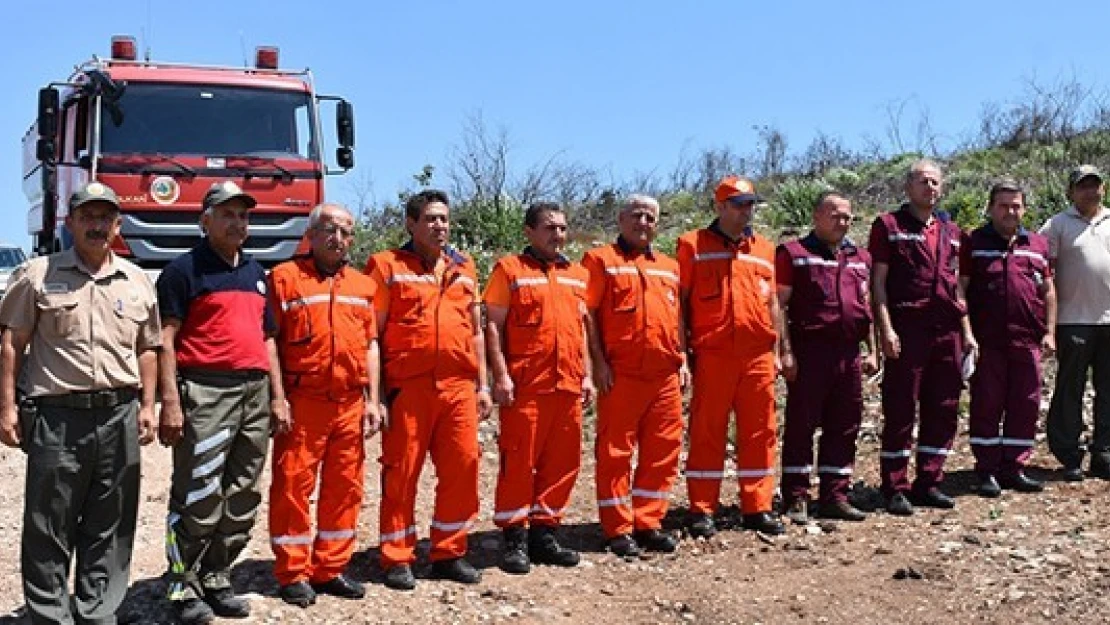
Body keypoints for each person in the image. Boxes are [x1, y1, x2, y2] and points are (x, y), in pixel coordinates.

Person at [0, 182, 160, 625]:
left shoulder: (136, 280)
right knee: (48, 525)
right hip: (57, 418)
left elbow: (149, 348)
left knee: (109, 523)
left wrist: (148, 405)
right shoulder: (36, 275)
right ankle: (50, 615)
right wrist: (7, 408)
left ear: (117, 225)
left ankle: (97, 612)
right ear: (69, 223)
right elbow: (12, 343)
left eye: (104, 217)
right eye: (86, 216)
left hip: (119, 414)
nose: (96, 225)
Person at [156, 181, 290, 624]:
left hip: (254, 394)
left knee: (243, 492)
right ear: (205, 220)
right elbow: (166, 341)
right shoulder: (183, 272)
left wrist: (277, 396)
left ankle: (216, 576)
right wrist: (171, 401)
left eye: (244, 215)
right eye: (228, 213)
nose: (238, 222)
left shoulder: (256, 273)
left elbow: (268, 341)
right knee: (199, 491)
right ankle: (181, 582)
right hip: (207, 392)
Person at [366, 189, 492, 591]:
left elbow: (475, 333)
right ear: (411, 223)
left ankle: (449, 551)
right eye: (431, 219)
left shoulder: (464, 266)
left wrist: (483, 385)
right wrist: (377, 395)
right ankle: (397, 556)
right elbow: (374, 334)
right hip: (410, 387)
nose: (440, 226)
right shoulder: (386, 265)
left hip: (458, 387)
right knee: (401, 472)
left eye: (444, 219)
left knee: (463, 467)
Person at [267, 203, 381, 607]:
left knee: (345, 489)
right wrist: (277, 398)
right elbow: (270, 344)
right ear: (311, 235)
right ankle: (292, 571)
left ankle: (331, 568)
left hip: (350, 402)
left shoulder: (363, 285)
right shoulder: (284, 279)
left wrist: (373, 400)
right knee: (294, 487)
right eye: (330, 229)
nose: (338, 238)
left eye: (346, 232)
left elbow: (370, 344)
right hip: (304, 402)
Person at [484, 202, 595, 574]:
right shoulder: (509, 270)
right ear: (529, 231)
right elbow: (493, 327)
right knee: (519, 462)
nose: (557, 235)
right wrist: (499, 376)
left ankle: (545, 533)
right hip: (526, 385)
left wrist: (589, 376)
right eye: (549, 228)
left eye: (562, 228)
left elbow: (582, 331)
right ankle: (514, 536)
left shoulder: (578, 275)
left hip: (567, 383)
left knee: (563, 462)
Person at [677, 175, 787, 538]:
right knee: (708, 432)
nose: (746, 211)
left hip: (757, 355)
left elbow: (772, 304)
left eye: (750, 204)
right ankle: (702, 510)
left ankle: (757, 506)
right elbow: (679, 304)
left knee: (760, 432)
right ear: (720, 206)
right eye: (738, 204)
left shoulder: (765, 249)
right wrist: (682, 353)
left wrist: (779, 350)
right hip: (714, 355)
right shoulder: (692, 245)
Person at [583, 194, 688, 557]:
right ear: (621, 219)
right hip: (621, 373)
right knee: (615, 452)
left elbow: (676, 319)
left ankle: (648, 521)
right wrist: (597, 363)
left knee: (663, 450)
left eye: (650, 217)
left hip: (664, 374)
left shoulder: (670, 266)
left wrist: (683, 361)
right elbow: (589, 316)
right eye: (636, 216)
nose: (643, 223)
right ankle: (617, 528)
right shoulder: (600, 261)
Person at [868, 159, 975, 515]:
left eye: (935, 182)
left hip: (946, 330)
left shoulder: (953, 232)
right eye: (922, 181)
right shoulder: (889, 226)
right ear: (907, 187)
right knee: (900, 408)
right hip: (907, 329)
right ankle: (894, 486)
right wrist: (885, 329)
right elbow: (877, 284)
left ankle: (929, 481)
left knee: (943, 408)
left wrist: (967, 333)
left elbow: (958, 287)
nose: (930, 187)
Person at [776, 191, 878, 524]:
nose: (842, 222)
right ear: (816, 216)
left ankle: (835, 494)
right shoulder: (794, 254)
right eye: (835, 215)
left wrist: (872, 349)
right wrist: (786, 351)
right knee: (802, 425)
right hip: (811, 351)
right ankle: (796, 496)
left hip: (848, 352)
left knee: (844, 424)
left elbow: (868, 307)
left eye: (847, 217)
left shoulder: (860, 257)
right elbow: (779, 305)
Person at [962, 180, 1055, 495]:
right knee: (987, 404)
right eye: (1003, 205)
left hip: (1027, 341)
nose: (1010, 211)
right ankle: (987, 469)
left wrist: (1050, 332)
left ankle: (1014, 467)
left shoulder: (1038, 245)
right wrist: (967, 333)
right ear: (990, 208)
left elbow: (1049, 291)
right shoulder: (973, 242)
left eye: (1015, 205)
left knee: (1025, 405)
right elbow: (959, 290)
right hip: (988, 342)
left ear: (1024, 209)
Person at [1039, 165, 1110, 481]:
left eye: (1095, 185)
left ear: (1103, 189)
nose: (1090, 191)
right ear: (1071, 192)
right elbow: (1042, 271)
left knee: (1108, 391)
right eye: (1083, 186)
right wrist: (1047, 324)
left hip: (1108, 321)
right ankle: (1068, 453)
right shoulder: (1056, 225)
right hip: (1072, 320)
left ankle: (1104, 452)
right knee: (1071, 389)